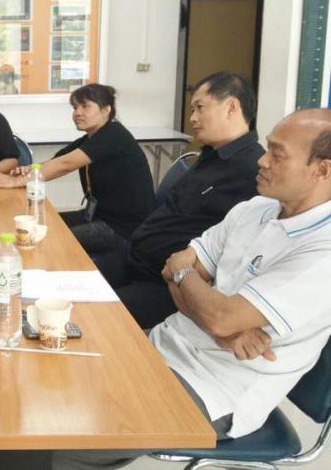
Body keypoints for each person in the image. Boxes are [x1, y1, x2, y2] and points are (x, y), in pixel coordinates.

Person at [52, 108, 331, 470]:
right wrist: (217, 320)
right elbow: (176, 265)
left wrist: (201, 295)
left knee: (57, 436)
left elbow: (216, 310)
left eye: (278, 154)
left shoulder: (322, 250)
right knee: (52, 374)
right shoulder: (257, 208)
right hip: (162, 344)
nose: (262, 161)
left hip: (213, 389)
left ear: (322, 170)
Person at [115, 72, 264, 329]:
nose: (193, 118)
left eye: (200, 108)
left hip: (166, 287)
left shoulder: (253, 171)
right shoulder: (210, 157)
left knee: (89, 314)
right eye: (192, 109)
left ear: (232, 107)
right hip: (134, 262)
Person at [0, 84, 155, 256]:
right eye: (75, 107)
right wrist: (26, 171)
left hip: (123, 228)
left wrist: (16, 181)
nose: (77, 113)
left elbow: (65, 164)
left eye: (85, 106)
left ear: (106, 110)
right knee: (38, 226)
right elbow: (57, 161)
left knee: (45, 239)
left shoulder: (115, 135)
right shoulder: (91, 138)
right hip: (97, 215)